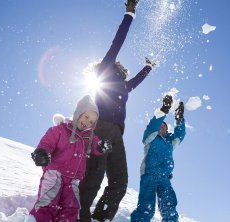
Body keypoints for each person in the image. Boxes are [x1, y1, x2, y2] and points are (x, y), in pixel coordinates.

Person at [78, 0, 156, 221]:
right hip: (100, 128)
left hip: (117, 135)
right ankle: (79, 216)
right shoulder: (104, 69)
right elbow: (118, 42)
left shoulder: (123, 86)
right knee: (94, 175)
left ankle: (101, 217)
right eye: (118, 65)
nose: (121, 67)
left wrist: (148, 67)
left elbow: (136, 82)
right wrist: (130, 13)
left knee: (120, 182)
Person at [29, 95, 111, 222]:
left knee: (72, 208)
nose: (87, 122)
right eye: (86, 117)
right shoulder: (60, 130)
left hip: (73, 181)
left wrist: (101, 146)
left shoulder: (88, 137)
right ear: (79, 113)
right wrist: (42, 152)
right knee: (48, 204)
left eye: (91, 122)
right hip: (54, 175)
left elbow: (96, 145)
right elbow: (47, 143)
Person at [130, 95, 186, 222]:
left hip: (165, 177)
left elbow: (180, 135)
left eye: (164, 127)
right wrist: (163, 111)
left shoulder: (170, 142)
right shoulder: (150, 138)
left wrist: (180, 119)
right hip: (149, 173)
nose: (162, 127)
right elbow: (152, 127)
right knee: (146, 205)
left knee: (169, 205)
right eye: (160, 125)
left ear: (167, 131)